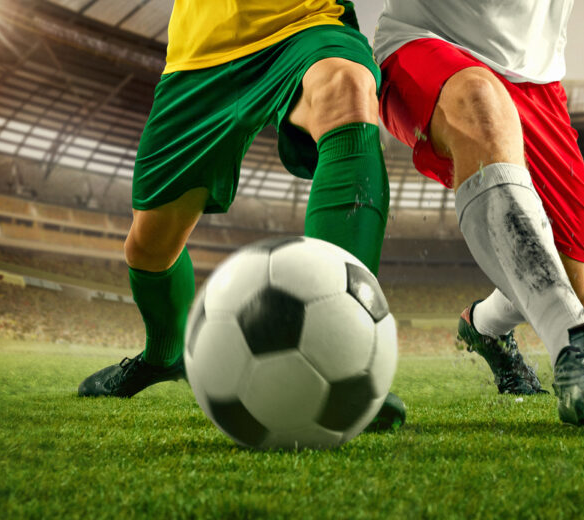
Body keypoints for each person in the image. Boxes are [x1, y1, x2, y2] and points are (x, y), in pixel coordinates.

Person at [79, 0, 405, 429]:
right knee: (148, 246)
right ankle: (163, 356)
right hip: (200, 56)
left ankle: (344, 349)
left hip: (305, 25)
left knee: (345, 86)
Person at [374, 0, 584, 428]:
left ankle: (482, 327)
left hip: (535, 75)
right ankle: (579, 356)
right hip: (426, 41)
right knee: (479, 99)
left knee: (572, 286)